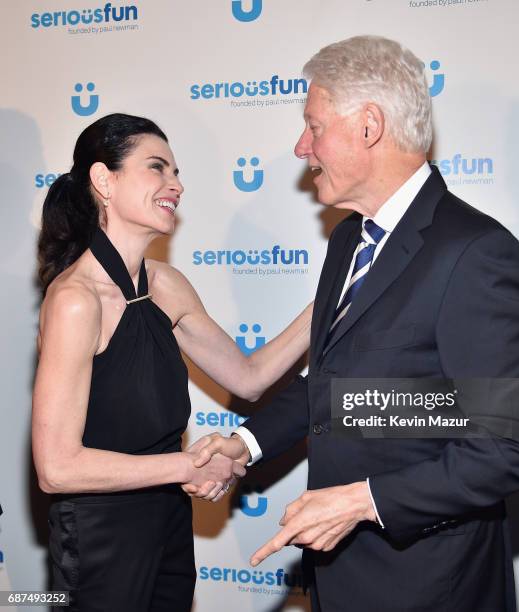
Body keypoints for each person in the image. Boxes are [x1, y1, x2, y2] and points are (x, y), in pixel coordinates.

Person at [191, 36, 519, 611]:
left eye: (314, 126)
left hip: (432, 587)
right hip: (340, 580)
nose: (300, 147)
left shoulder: (478, 253)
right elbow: (337, 388)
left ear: (368, 126)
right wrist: (243, 445)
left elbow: (515, 443)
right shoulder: (348, 239)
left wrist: (361, 501)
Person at [32, 113, 312, 612]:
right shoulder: (76, 300)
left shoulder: (167, 285)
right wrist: (187, 465)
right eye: (157, 168)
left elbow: (248, 378)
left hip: (169, 523)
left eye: (177, 172)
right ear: (104, 180)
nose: (176, 185)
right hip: (99, 538)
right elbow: (57, 467)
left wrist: (331, 299)